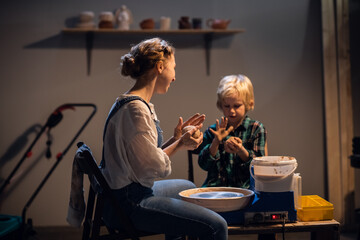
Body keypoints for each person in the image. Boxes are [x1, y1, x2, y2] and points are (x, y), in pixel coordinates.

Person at [101, 38, 228, 240]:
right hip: (129, 203)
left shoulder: (132, 103)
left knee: (188, 188)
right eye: (173, 68)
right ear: (160, 67)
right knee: (217, 226)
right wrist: (181, 143)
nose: (175, 77)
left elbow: (143, 157)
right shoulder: (136, 110)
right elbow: (152, 167)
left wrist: (175, 138)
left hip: (122, 194)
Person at [196, 74, 267, 189]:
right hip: (214, 189)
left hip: (245, 190)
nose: (232, 111)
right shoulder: (213, 130)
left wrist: (241, 150)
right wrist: (216, 142)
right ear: (220, 105)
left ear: (249, 104)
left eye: (237, 106)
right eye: (227, 106)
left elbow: (260, 167)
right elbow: (204, 165)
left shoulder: (256, 128)